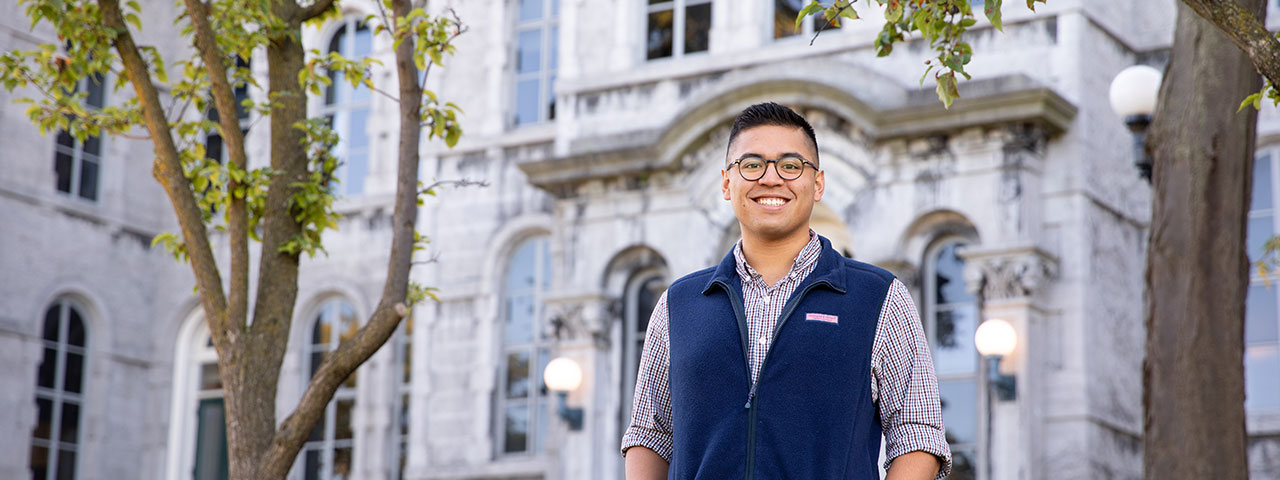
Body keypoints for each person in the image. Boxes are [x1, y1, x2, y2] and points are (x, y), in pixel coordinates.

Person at [620, 102, 951, 479]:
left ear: (818, 184)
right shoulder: (678, 304)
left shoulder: (878, 297)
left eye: (791, 165)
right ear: (728, 183)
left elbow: (917, 431)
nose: (771, 179)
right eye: (752, 164)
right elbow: (650, 434)